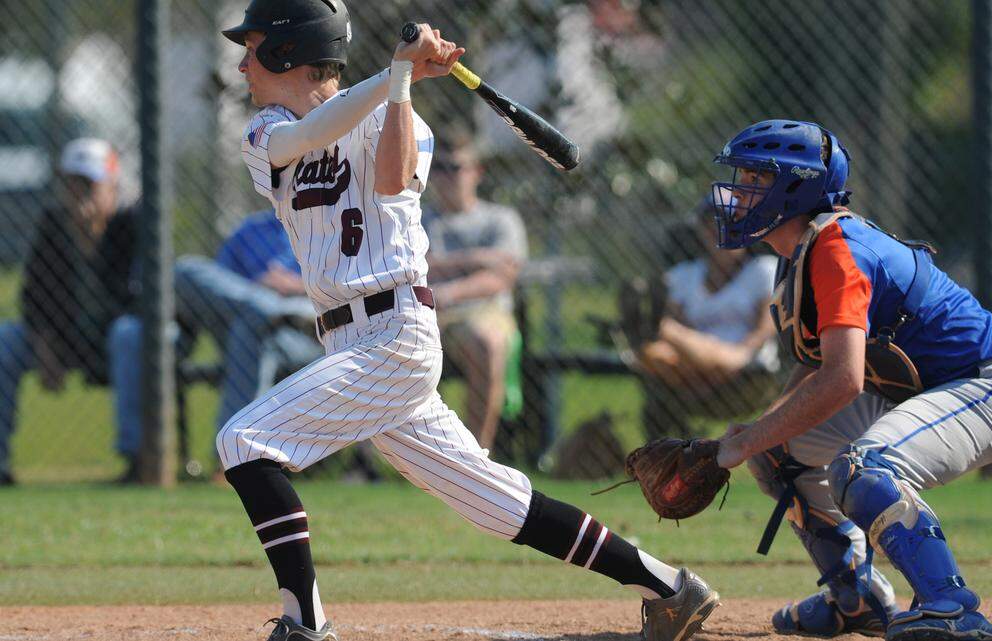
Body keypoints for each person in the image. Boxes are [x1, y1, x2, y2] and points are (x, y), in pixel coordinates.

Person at [218, 2, 718, 640]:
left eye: (254, 47)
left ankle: (304, 623)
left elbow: (394, 181)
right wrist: (394, 73)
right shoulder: (263, 131)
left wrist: (400, 82)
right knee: (494, 500)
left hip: (394, 335)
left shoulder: (403, 120)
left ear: (288, 53)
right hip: (347, 341)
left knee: (245, 443)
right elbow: (306, 137)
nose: (242, 62)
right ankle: (670, 588)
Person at [707, 119, 992, 641]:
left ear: (796, 187)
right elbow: (817, 365)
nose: (738, 192)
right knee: (776, 451)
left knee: (862, 468)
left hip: (986, 389)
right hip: (914, 393)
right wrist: (748, 438)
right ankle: (855, 598)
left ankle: (953, 609)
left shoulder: (837, 248)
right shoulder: (802, 254)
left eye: (755, 178)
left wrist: (742, 443)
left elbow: (842, 380)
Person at [0, 137, 141, 485]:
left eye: (89, 185)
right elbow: (34, 294)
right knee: (6, 339)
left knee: (129, 333)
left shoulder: (133, 223)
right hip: (64, 339)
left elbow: (141, 299)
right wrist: (44, 343)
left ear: (112, 186)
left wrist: (92, 237)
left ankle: (138, 459)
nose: (78, 194)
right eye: (71, 184)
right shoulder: (53, 224)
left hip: (117, 337)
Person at [630, 192, 781, 440]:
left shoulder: (763, 270)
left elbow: (765, 330)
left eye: (730, 222)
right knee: (652, 354)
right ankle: (651, 333)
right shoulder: (683, 276)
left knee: (663, 338)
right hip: (690, 367)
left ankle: (656, 326)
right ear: (700, 229)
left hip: (745, 369)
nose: (719, 231)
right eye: (711, 223)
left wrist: (737, 355)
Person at [174, 209, 322, 437]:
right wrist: (259, 287)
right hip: (248, 316)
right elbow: (220, 283)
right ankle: (271, 308)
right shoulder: (250, 230)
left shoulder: (327, 223)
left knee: (250, 331)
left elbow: (352, 283)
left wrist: (297, 286)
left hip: (308, 334)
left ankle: (232, 457)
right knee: (186, 269)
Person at [423, 132, 527, 449]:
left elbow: (502, 277)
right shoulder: (417, 217)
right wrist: (477, 258)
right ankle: (368, 461)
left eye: (455, 167)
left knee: (488, 340)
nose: (446, 176)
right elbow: (411, 268)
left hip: (484, 312)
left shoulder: (500, 219)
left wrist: (448, 288)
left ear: (476, 172)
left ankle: (476, 455)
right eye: (438, 167)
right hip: (427, 315)